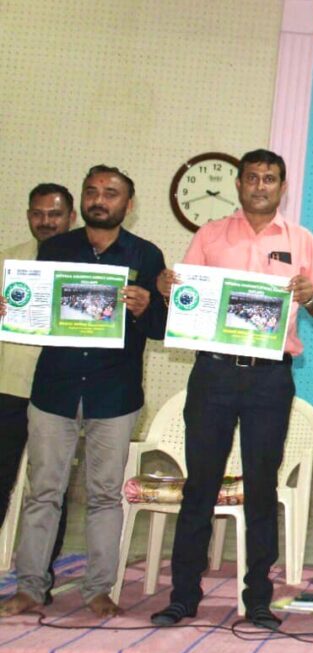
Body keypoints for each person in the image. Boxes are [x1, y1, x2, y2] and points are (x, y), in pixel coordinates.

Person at [150, 149, 313, 629]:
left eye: (269, 178)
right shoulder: (209, 235)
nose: (260, 186)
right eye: (251, 178)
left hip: (270, 377)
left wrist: (312, 296)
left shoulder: (302, 239)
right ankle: (184, 595)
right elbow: (183, 295)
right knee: (200, 485)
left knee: (261, 487)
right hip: (212, 373)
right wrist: (170, 286)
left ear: (282, 186)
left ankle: (257, 598)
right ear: (239, 185)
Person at [0, 167, 167, 618]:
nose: (100, 199)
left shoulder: (147, 255)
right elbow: (30, 311)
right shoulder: (54, 248)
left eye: (111, 193)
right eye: (92, 191)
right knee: (43, 493)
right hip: (54, 390)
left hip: (114, 395)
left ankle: (98, 589)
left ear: (128, 206)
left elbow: (162, 331)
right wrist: (11, 308)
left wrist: (149, 307)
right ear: (82, 199)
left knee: (104, 496)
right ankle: (31, 588)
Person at [0, 184, 78, 605]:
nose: (46, 222)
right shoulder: (8, 260)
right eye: (38, 214)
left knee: (51, 488)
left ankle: (39, 579)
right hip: (7, 387)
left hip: (60, 392)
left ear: (71, 218)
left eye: (55, 214)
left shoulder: (87, 264)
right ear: (28, 215)